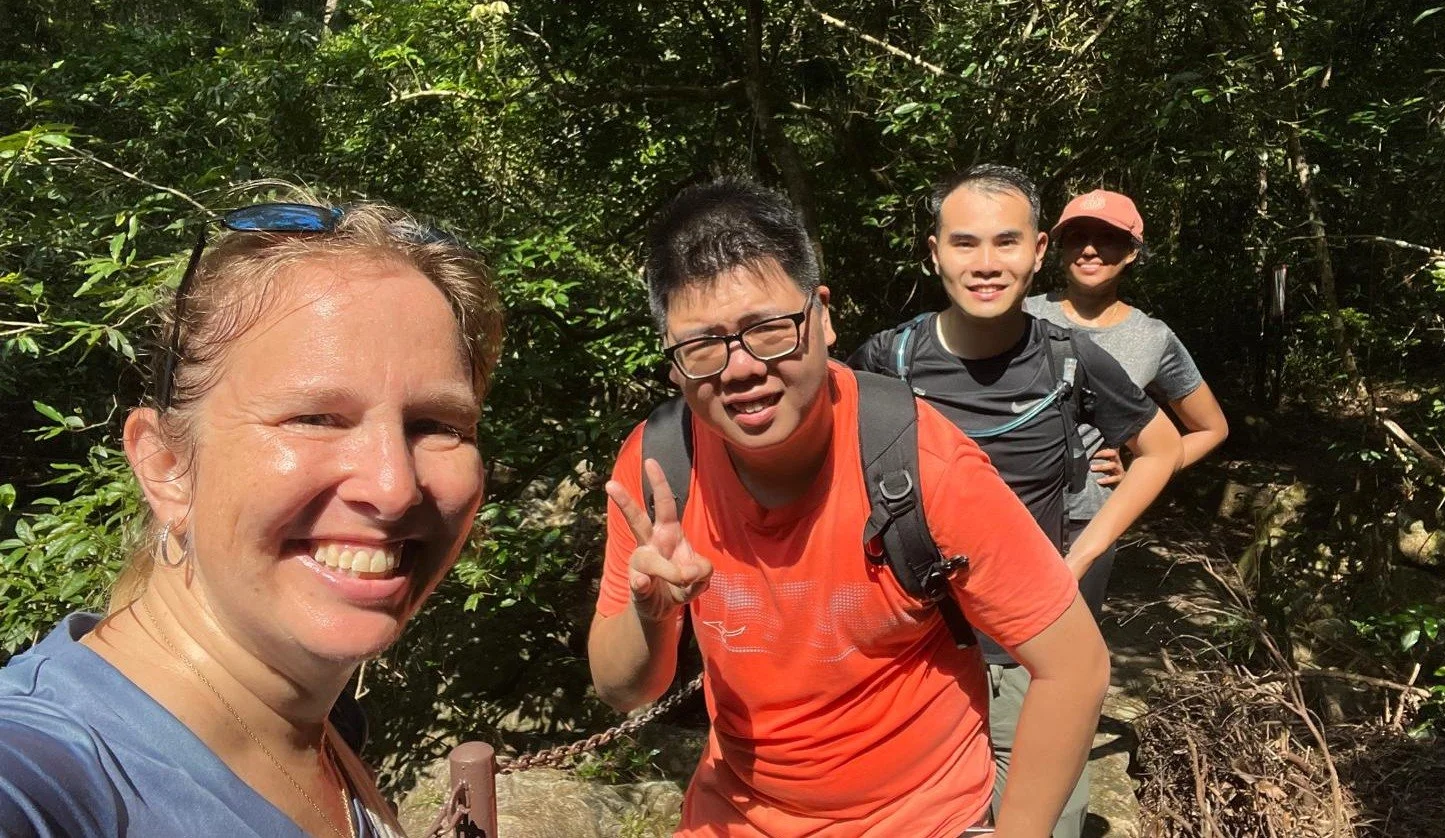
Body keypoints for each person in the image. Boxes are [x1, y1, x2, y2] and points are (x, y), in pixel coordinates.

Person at [587, 178, 1109, 837]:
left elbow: (1075, 665)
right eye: (702, 346)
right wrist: (652, 613)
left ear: (822, 317)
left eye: (768, 329)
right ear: (673, 362)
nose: (740, 368)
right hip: (735, 814)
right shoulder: (660, 468)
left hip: (918, 820)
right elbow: (624, 691)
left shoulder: (921, 464)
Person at [0, 201, 503, 837]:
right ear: (166, 465)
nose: (394, 488)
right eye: (314, 418)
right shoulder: (44, 774)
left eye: (436, 424)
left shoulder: (315, 726)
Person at [848, 165, 1183, 837]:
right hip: (913, 658)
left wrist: (1079, 557)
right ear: (934, 252)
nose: (985, 263)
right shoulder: (889, 360)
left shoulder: (1070, 359)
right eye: (964, 242)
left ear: (1037, 252)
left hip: (1029, 660)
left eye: (1006, 241)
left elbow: (1162, 448)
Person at [1023, 188, 1228, 610]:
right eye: (1077, 237)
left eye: (1108, 238)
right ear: (1058, 247)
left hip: (1089, 522)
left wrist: (1142, 466)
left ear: (1132, 251)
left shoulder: (1152, 337)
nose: (1090, 250)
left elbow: (1211, 428)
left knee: (1069, 637)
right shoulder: (1020, 314)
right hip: (1006, 508)